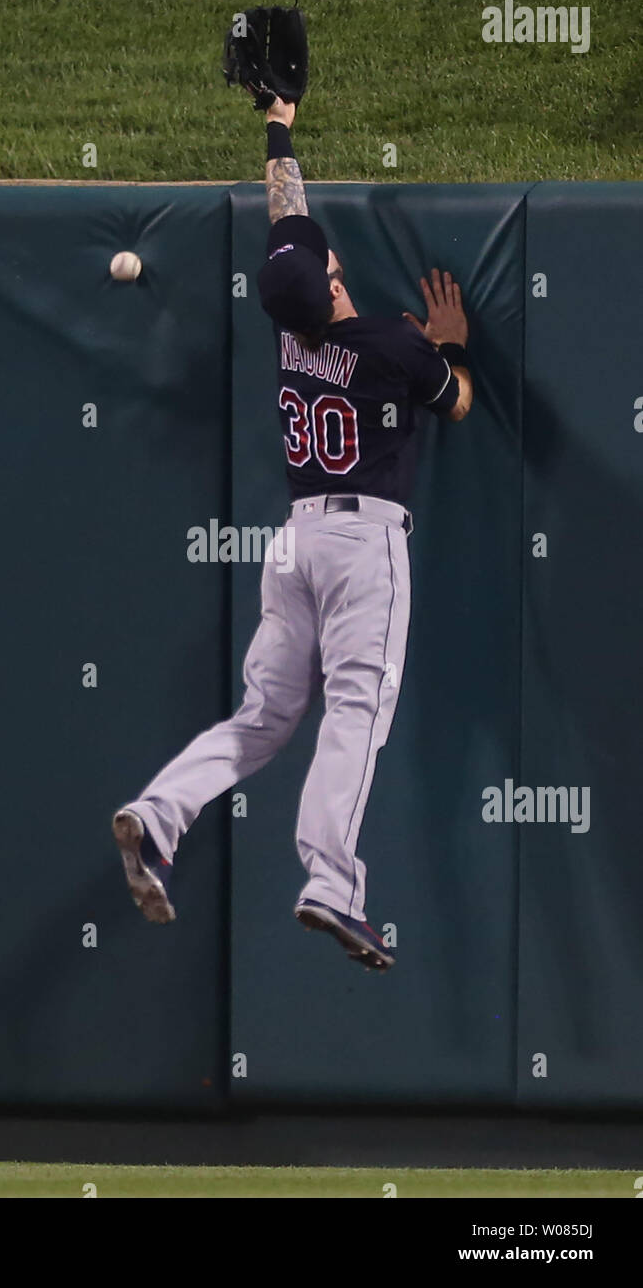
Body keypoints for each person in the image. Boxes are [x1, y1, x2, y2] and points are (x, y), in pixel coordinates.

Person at [113, 96, 472, 971]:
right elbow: (456, 401)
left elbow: (288, 219)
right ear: (336, 281)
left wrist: (280, 122)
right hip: (362, 549)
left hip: (294, 545)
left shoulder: (289, 328)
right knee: (354, 714)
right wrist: (453, 347)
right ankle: (330, 886)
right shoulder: (393, 344)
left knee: (264, 714)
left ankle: (159, 813)